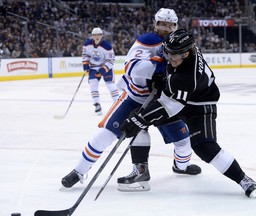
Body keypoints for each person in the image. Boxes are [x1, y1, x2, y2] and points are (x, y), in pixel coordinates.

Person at [61, 9, 201, 191]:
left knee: (183, 140)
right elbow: (132, 68)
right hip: (135, 98)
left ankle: (181, 166)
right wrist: (157, 67)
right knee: (106, 134)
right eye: (163, 24)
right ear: (155, 24)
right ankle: (79, 171)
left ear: (176, 25)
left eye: (171, 25)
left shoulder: (183, 44)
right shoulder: (147, 41)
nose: (167, 28)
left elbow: (192, 73)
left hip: (163, 102)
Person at [120, 28, 256, 198]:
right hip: (179, 97)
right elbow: (169, 69)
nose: (170, 57)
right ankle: (140, 171)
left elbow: (169, 107)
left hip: (199, 106)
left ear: (186, 54)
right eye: (168, 52)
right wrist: (163, 78)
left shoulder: (187, 77)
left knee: (205, 148)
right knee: (137, 117)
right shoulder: (181, 51)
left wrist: (141, 119)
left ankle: (244, 180)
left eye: (175, 55)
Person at [82, 27, 119, 115]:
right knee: (93, 83)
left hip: (106, 67)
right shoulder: (87, 44)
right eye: (95, 35)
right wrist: (86, 64)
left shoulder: (107, 46)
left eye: (99, 35)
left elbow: (111, 60)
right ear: (92, 36)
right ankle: (96, 104)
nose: (97, 37)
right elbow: (85, 55)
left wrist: (103, 70)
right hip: (94, 67)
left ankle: (118, 104)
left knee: (110, 84)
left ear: (102, 35)